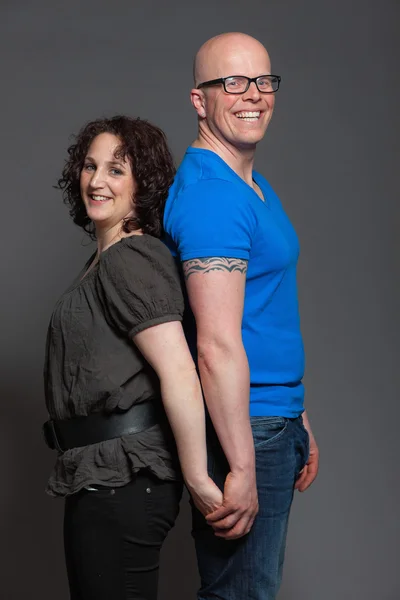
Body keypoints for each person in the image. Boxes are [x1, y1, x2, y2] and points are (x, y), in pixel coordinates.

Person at [163, 32, 320, 599]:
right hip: (246, 430)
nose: (252, 94)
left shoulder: (248, 182)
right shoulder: (212, 196)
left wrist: (296, 414)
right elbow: (215, 345)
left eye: (263, 80)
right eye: (232, 81)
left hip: (273, 418)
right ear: (199, 100)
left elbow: (264, 310)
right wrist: (244, 465)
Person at [42, 115, 223, 600]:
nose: (97, 181)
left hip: (126, 479)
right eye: (90, 166)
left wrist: (198, 477)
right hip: (100, 475)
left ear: (144, 183)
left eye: (117, 170)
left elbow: (180, 372)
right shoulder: (103, 261)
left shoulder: (131, 257)